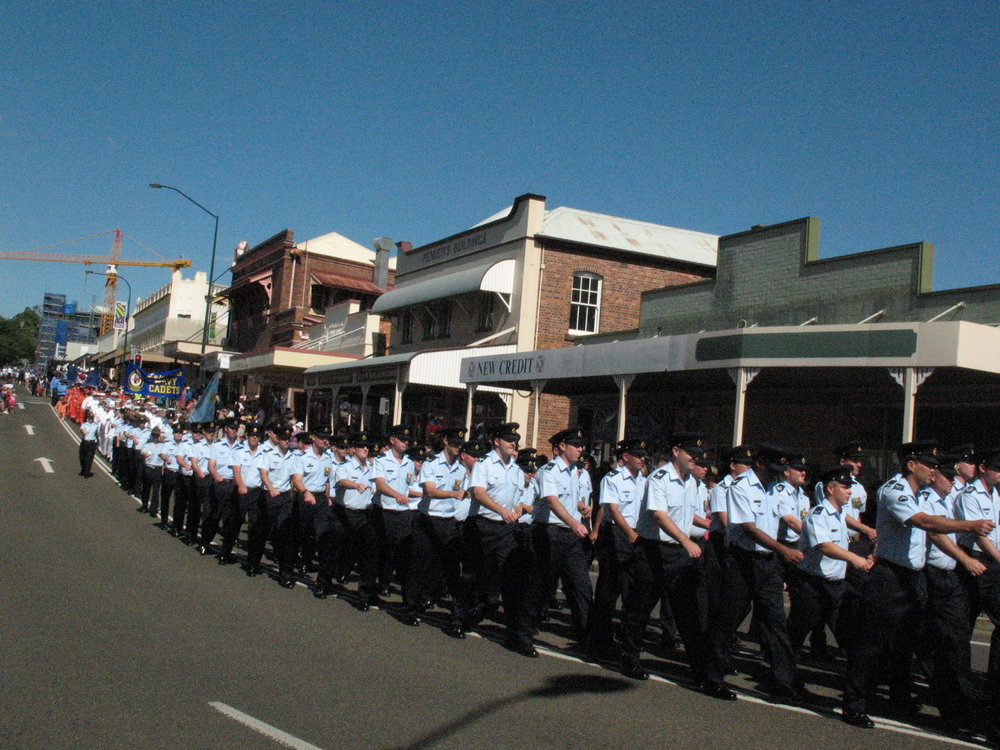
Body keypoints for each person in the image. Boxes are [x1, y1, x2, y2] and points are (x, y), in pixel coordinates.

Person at [841, 440, 995, 729]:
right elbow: (923, 521)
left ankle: (948, 708)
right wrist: (969, 526)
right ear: (911, 465)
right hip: (890, 578)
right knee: (872, 644)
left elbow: (934, 529)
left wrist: (960, 555)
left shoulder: (922, 493)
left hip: (915, 577)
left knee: (922, 642)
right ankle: (854, 702)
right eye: (930, 465)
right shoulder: (894, 490)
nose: (934, 472)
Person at [619, 433, 710, 686]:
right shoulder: (658, 478)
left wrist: (712, 525)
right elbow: (659, 515)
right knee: (640, 608)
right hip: (654, 551)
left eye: (698, 454)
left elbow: (687, 514)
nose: (696, 458)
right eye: (691, 453)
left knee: (689, 613)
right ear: (676, 451)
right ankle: (629, 656)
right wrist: (686, 541)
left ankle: (700, 669)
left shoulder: (691, 481)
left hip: (680, 554)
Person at [465, 422, 535, 656]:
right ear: (497, 442)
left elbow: (514, 499)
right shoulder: (483, 464)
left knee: (514, 582)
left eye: (515, 441)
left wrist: (518, 509)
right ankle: (461, 618)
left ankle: (518, 636)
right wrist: (500, 510)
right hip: (484, 526)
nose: (513, 444)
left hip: (507, 530)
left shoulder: (516, 469)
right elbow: (479, 493)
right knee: (475, 576)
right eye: (508, 440)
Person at [585, 439, 649, 661]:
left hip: (637, 535)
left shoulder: (644, 479)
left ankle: (625, 636)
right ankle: (599, 639)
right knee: (609, 589)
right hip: (618, 536)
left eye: (644, 455)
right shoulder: (612, 479)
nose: (643, 458)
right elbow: (613, 509)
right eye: (638, 455)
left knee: (633, 589)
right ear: (624, 457)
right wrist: (629, 533)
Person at [530, 427, 594, 643]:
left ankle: (586, 634)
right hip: (549, 533)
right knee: (543, 585)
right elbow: (551, 500)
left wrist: (582, 508)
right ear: (562, 447)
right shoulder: (549, 470)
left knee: (581, 586)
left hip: (570, 536)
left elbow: (569, 500)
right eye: (576, 445)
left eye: (581, 445)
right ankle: (525, 629)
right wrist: (574, 522)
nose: (580, 449)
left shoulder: (575, 472)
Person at [373, 425, 420, 624]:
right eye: (402, 439)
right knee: (380, 554)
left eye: (408, 440)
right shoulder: (381, 460)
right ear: (392, 440)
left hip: (404, 515)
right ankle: (370, 590)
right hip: (384, 512)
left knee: (404, 559)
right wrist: (396, 495)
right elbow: (380, 484)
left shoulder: (409, 463)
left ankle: (407, 604)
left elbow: (411, 488)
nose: (406, 443)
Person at [331, 431, 380, 608]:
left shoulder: (373, 467)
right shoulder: (344, 466)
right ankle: (324, 582)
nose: (365, 449)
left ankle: (365, 595)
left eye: (367, 446)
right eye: (361, 446)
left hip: (364, 516)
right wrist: (356, 485)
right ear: (353, 449)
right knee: (337, 548)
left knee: (369, 554)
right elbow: (343, 481)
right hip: (344, 513)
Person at [258, 425, 304, 588]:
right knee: (264, 530)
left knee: (285, 533)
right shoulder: (268, 455)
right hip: (270, 496)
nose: (286, 442)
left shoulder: (293, 457)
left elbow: (293, 478)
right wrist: (271, 489)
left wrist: (292, 493)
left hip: (285, 498)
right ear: (278, 440)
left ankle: (285, 573)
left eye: (288, 439)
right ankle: (253, 562)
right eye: (284, 439)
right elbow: (263, 474)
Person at [78, 409, 99, 478]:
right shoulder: (84, 424)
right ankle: (83, 470)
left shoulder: (96, 425)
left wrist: (97, 443)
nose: (90, 419)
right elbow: (81, 430)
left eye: (92, 418)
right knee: (82, 457)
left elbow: (97, 435)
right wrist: (82, 430)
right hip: (84, 442)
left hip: (92, 443)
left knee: (89, 458)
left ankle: (87, 472)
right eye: (89, 418)